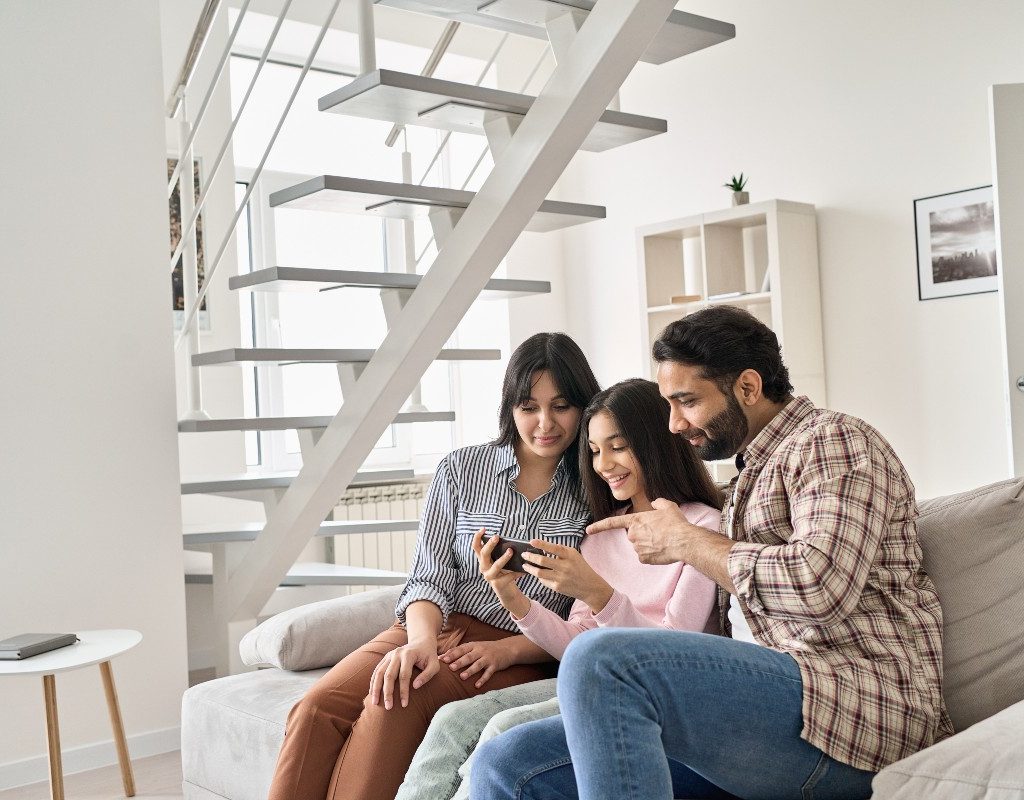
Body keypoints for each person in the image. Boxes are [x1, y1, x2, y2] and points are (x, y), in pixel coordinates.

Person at [472, 306, 953, 800]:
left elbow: (819, 586)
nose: (675, 425)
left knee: (602, 658)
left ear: (747, 387)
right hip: (761, 714)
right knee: (505, 760)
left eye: (686, 402)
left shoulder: (833, 442)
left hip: (852, 712)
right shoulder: (747, 477)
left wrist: (683, 541)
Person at [266, 332, 600, 800]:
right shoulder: (460, 470)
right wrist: (420, 641)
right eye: (529, 407)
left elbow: (587, 618)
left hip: (519, 648)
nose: (545, 422)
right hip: (431, 625)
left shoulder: (598, 488)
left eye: (561, 406)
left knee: (396, 700)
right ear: (510, 408)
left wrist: (510, 650)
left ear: (584, 407)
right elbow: (428, 576)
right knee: (315, 708)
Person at [395, 378, 723, 800]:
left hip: (658, 696)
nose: (604, 464)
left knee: (501, 730)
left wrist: (600, 595)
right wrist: (512, 596)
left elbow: (672, 655)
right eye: (595, 449)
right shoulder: (600, 536)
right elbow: (576, 645)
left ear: (656, 443)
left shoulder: (701, 530)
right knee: (452, 721)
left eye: (618, 446)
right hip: (588, 678)